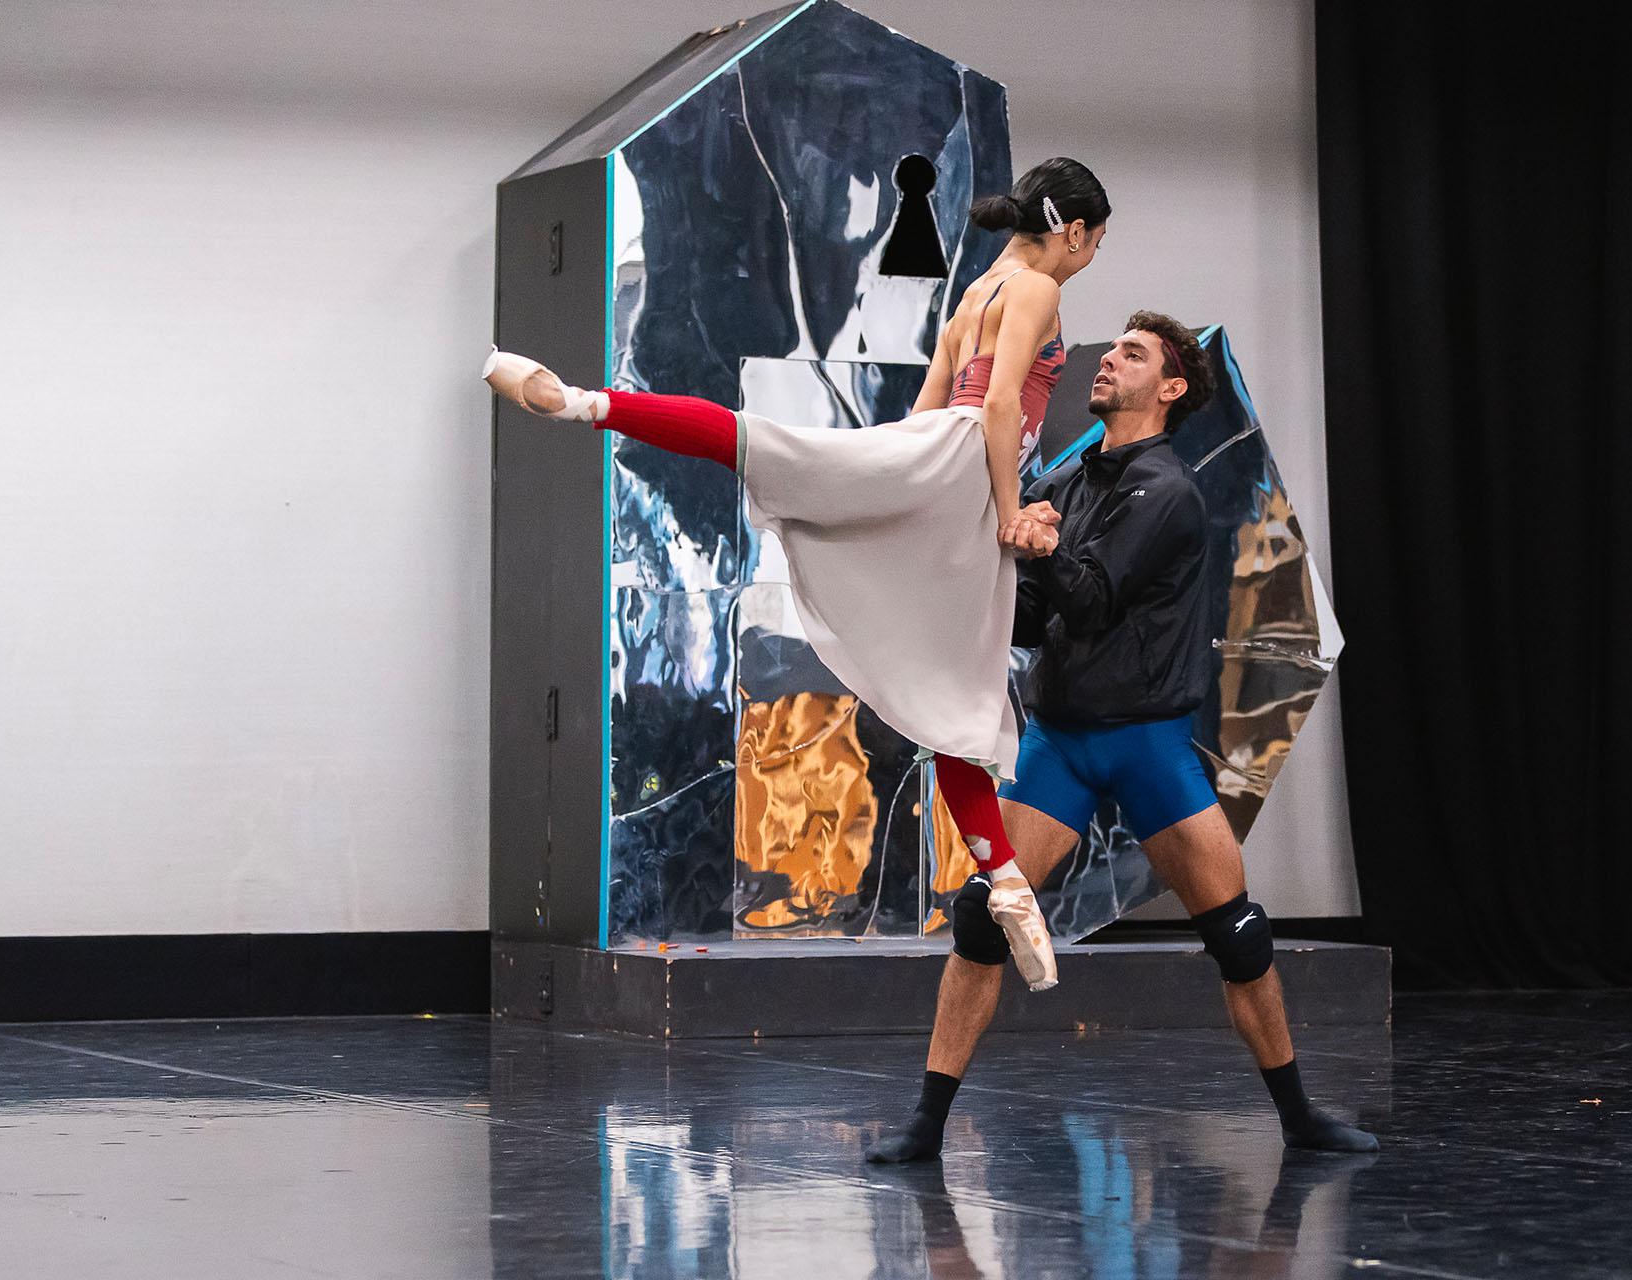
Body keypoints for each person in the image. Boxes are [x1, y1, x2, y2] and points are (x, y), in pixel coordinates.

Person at [483, 159, 1112, 990]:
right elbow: (998, 408)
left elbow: (929, 404)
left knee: (948, 683)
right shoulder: (1034, 288)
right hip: (967, 473)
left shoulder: (978, 291)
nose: (1091, 255)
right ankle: (1003, 879)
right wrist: (1005, 510)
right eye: (1096, 241)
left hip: (935, 457)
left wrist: (882, 479)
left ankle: (588, 404)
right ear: (1072, 230)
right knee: (957, 686)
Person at [865, 311, 1381, 1161]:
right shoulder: (1068, 484)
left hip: (1148, 748)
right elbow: (1034, 613)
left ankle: (1300, 1119)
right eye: (1112, 351)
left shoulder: (1169, 490)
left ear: (1171, 390)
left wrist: (1032, 551)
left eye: (1132, 355)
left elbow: (1094, 597)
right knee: (984, 920)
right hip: (1062, 743)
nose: (1108, 362)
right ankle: (925, 1125)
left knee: (1239, 936)